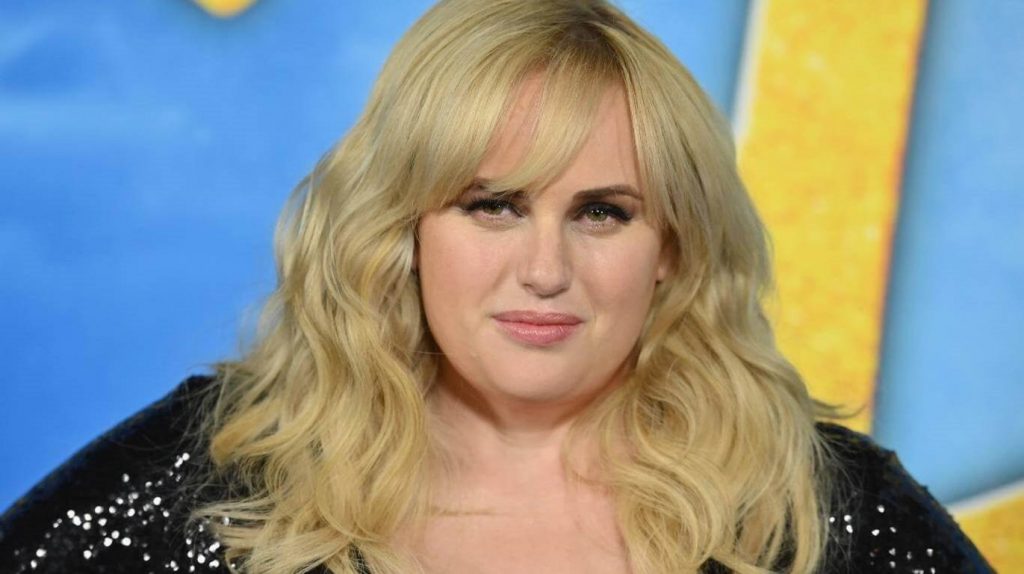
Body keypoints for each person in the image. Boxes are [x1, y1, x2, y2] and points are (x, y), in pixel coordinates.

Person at [0, 1, 993, 572]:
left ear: (673, 248)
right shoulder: (220, 468)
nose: (546, 270)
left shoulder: (819, 509)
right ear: (404, 228)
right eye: (493, 206)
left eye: (602, 212)